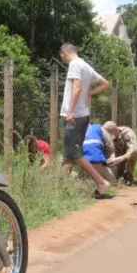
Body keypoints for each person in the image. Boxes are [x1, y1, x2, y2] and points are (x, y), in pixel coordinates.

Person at [58, 43, 111, 197]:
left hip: (75, 116)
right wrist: (89, 94)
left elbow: (77, 87)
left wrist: (70, 111)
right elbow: (105, 84)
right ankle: (62, 189)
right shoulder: (85, 65)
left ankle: (101, 182)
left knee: (74, 153)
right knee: (69, 154)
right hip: (83, 115)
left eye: (61, 56)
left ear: (64, 53)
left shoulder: (74, 64)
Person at [102, 121, 137, 185]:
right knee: (117, 175)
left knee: (133, 153)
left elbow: (134, 148)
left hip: (133, 152)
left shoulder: (127, 132)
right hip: (119, 151)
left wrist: (121, 158)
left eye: (109, 134)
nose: (108, 136)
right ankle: (120, 175)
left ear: (116, 130)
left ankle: (129, 173)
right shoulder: (103, 135)